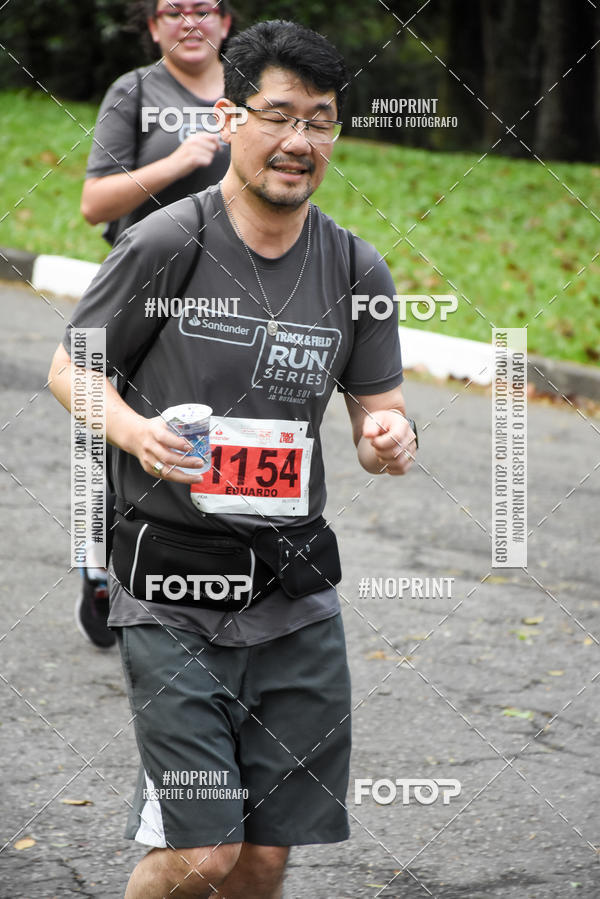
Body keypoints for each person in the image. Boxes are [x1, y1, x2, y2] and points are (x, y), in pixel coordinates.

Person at [49, 19, 417, 898]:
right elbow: (71, 368)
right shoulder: (167, 242)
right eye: (279, 115)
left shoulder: (356, 269)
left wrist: (391, 438)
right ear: (229, 119)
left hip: (294, 595)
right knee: (204, 849)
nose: (299, 141)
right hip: (172, 589)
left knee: (264, 855)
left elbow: (382, 415)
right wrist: (136, 433)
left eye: (319, 121)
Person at [77, 0, 233, 649]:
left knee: (216, 435)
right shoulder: (136, 91)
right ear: (152, 27)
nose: (189, 22)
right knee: (113, 436)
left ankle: (210, 577)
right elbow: (94, 203)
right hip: (140, 296)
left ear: (226, 22)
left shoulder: (251, 90)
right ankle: (99, 569)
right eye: (173, 11)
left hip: (225, 298)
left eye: (203, 9)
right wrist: (179, 161)